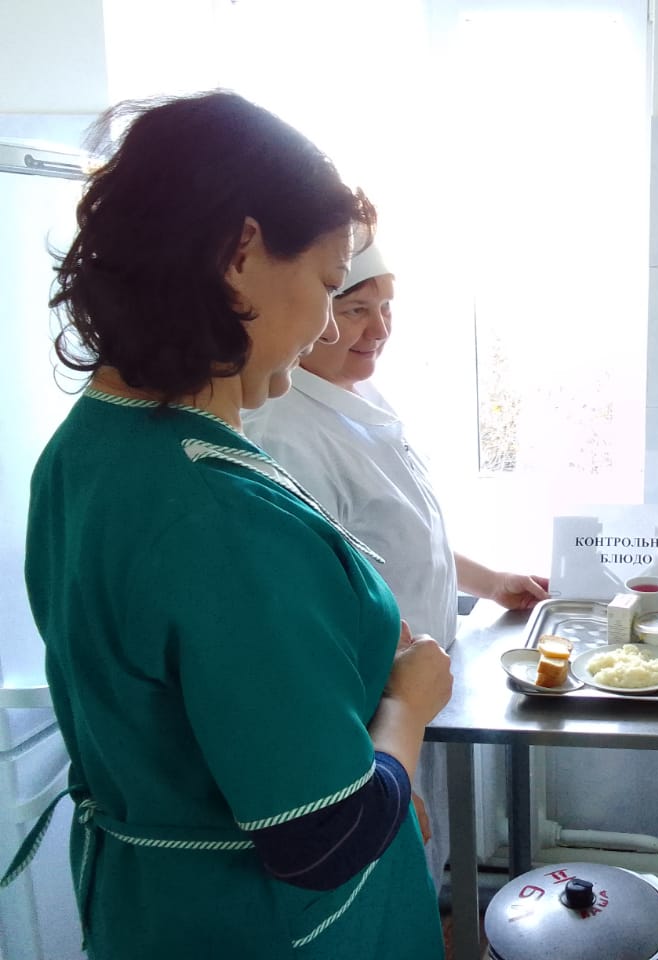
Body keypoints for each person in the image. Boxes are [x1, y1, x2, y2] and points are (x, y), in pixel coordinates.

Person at [7, 92, 453, 959]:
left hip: (152, 910)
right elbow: (323, 837)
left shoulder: (86, 450)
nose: (326, 324)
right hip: (268, 929)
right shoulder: (220, 515)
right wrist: (406, 711)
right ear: (238, 255)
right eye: (328, 284)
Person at [243, 242, 549, 886]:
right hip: (370, 712)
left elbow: (402, 536)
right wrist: (380, 737)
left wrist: (491, 582)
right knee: (389, 867)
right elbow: (311, 620)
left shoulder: (360, 395)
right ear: (310, 310)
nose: (379, 329)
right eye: (355, 309)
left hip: (415, 688)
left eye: (387, 307)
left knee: (422, 862)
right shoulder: (284, 434)